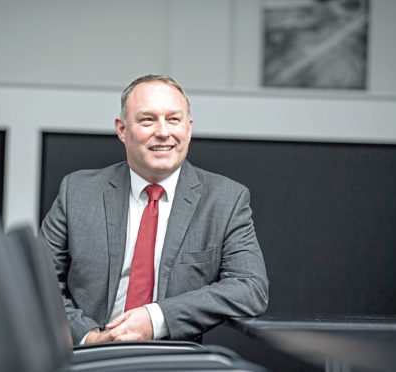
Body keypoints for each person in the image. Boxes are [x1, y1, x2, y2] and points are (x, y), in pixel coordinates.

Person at [39, 74, 268, 345]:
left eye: (174, 119)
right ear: (122, 129)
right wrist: (88, 337)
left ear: (189, 127)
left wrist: (156, 318)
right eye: (147, 119)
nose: (163, 132)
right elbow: (38, 283)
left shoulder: (226, 200)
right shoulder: (76, 192)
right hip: (87, 357)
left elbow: (249, 288)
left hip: (172, 358)